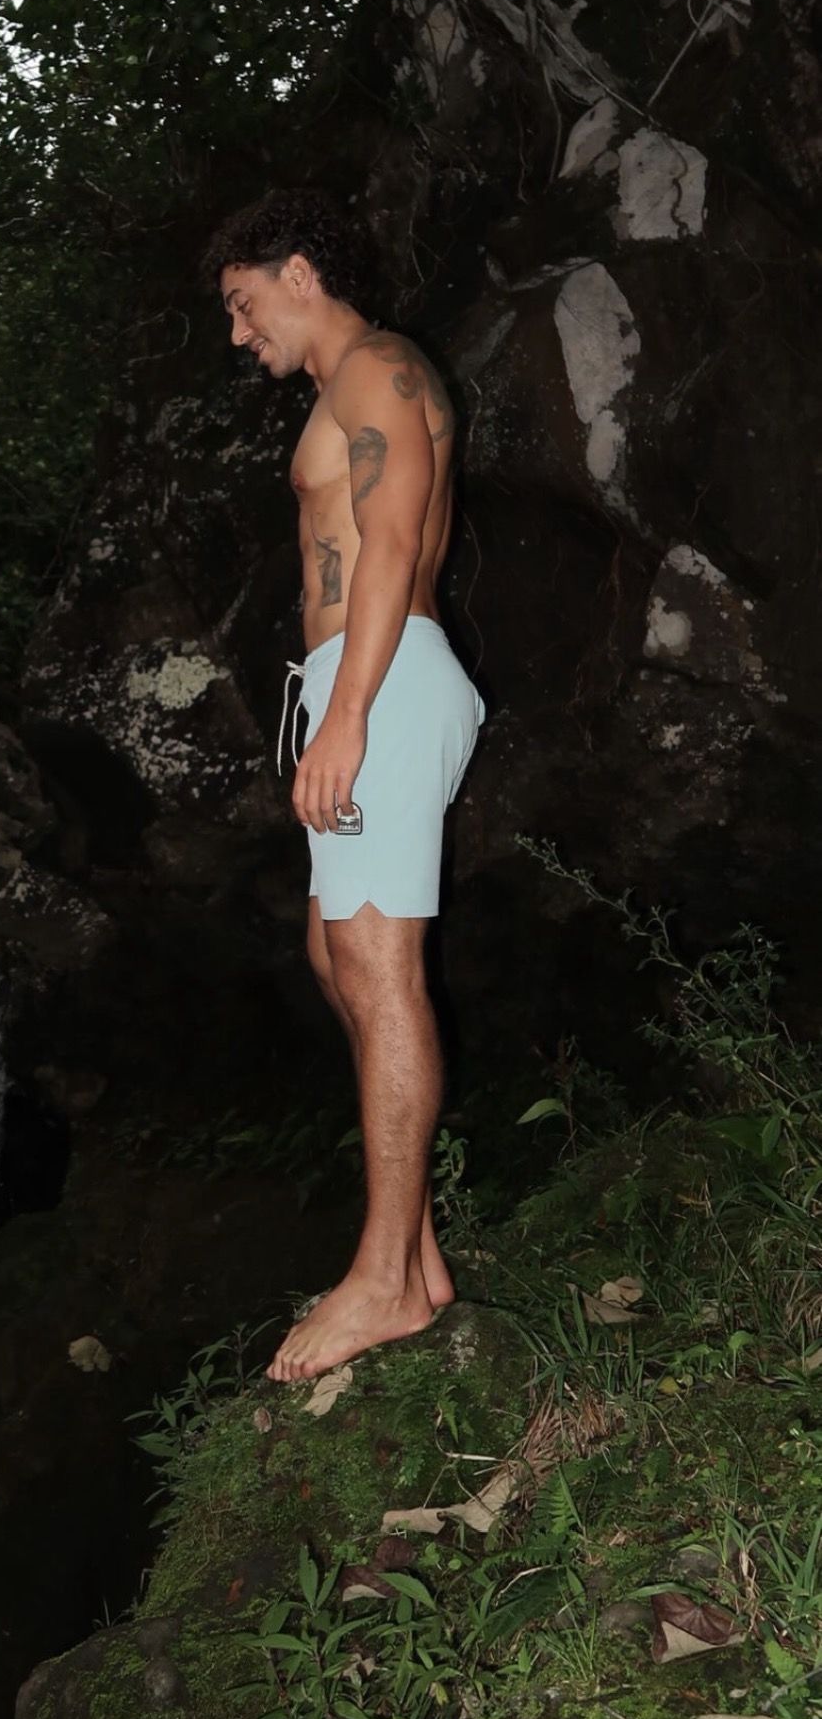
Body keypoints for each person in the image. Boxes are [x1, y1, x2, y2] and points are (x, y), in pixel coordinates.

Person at [203, 190, 485, 1383]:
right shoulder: (348, 386)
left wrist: (352, 716)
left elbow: (393, 538)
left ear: (299, 273)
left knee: (377, 965)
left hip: (387, 681)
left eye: (242, 303)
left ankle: (383, 1284)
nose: (238, 333)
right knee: (337, 958)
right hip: (362, 681)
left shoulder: (376, 368)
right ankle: (415, 1257)